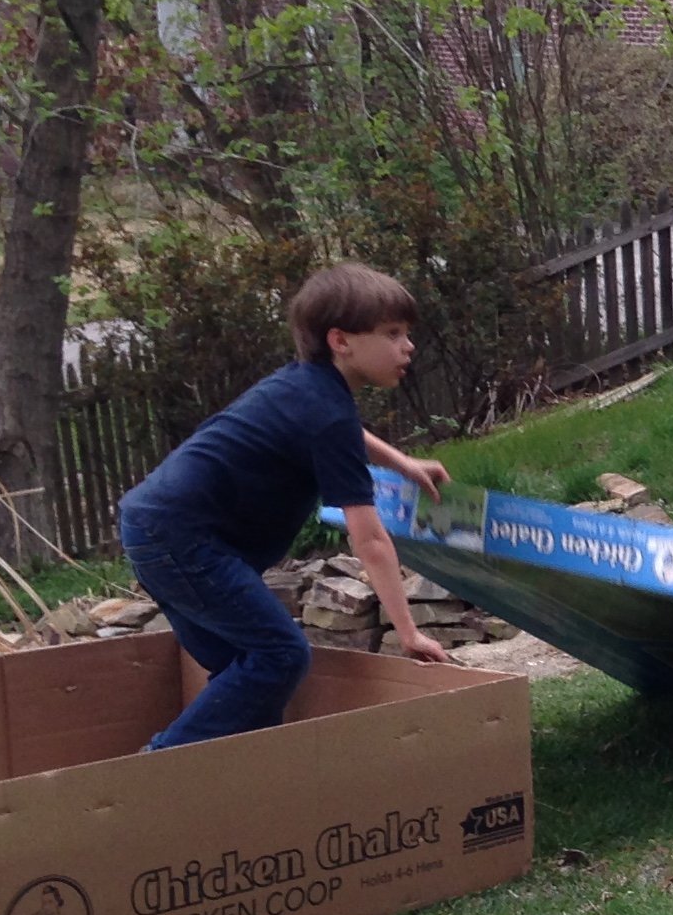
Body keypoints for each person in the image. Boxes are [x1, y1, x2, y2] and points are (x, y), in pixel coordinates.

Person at [116, 263, 458, 750]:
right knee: (280, 655)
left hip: (154, 528)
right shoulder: (326, 412)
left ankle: (250, 786)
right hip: (185, 540)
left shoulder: (305, 385)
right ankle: (157, 766)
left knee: (249, 676)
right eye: (392, 333)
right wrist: (408, 633)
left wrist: (400, 461)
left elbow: (340, 432)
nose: (408, 346)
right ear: (341, 340)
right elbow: (370, 540)